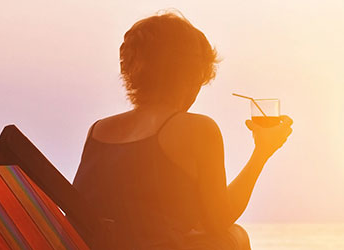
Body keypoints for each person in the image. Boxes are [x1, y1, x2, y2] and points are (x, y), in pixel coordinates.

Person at [73, 11, 293, 249]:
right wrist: (261, 152)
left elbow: (135, 210)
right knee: (235, 236)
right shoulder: (198, 128)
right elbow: (218, 220)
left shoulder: (99, 130)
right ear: (193, 74)